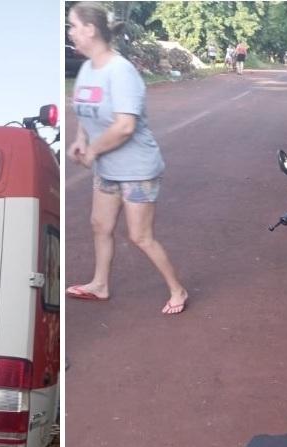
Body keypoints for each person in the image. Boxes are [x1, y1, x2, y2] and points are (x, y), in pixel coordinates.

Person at [66, 2, 188, 316]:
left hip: (137, 169)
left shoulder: (120, 71)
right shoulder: (87, 69)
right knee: (100, 225)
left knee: (140, 236)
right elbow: (85, 108)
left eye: (73, 26)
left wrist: (93, 151)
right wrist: (81, 139)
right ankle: (100, 284)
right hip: (108, 168)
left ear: (90, 30)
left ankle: (178, 289)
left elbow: (124, 125)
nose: (70, 32)